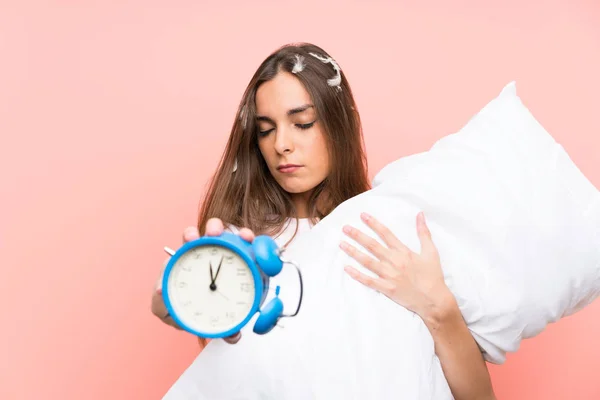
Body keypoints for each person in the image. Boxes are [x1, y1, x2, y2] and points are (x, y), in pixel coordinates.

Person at [151, 42, 497, 400]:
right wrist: (177, 297)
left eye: (302, 123)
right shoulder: (245, 250)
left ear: (338, 123)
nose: (281, 144)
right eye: (266, 129)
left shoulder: (391, 231)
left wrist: (436, 303)